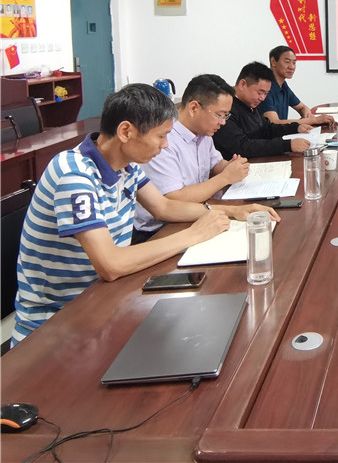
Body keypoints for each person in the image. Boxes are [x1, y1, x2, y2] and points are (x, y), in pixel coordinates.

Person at [12, 84, 272, 344]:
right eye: (160, 136)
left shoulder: (127, 167)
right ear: (126, 131)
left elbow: (164, 207)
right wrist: (193, 235)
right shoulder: (74, 175)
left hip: (106, 302)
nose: (165, 145)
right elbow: (111, 264)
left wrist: (233, 211)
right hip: (56, 327)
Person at [132, 74, 279, 243]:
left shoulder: (204, 133)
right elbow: (173, 200)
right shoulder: (162, 141)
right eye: (220, 115)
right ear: (194, 108)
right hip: (160, 230)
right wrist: (225, 177)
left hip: (199, 212)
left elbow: (216, 164)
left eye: (226, 116)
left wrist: (232, 167)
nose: (223, 122)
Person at [214, 61, 311, 160]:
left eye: (266, 94)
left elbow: (266, 128)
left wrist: (295, 128)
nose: (262, 98)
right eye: (260, 92)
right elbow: (241, 146)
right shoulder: (224, 107)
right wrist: (286, 145)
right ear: (243, 84)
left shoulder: (250, 103)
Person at [259, 45, 334, 127]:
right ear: (273, 62)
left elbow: (302, 107)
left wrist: (307, 116)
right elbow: (274, 123)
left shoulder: (283, 85)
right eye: (287, 62)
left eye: (294, 63)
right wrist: (313, 120)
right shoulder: (265, 87)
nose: (291, 67)